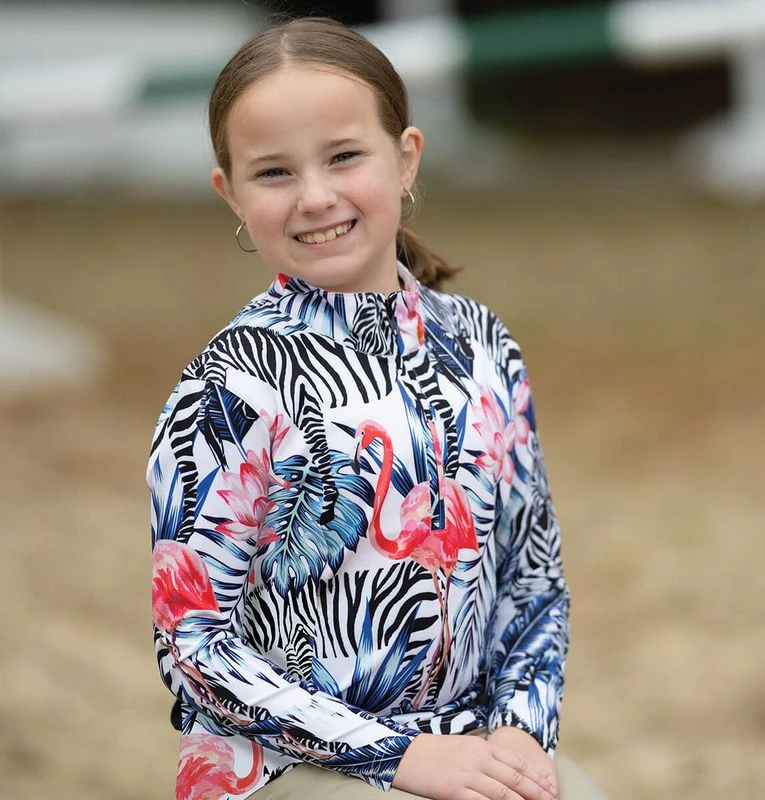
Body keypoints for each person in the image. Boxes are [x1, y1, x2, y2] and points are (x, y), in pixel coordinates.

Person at [148, 16, 601, 800]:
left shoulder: (483, 346)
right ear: (231, 195)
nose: (315, 196)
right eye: (274, 172)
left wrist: (521, 729)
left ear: (406, 158)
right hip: (288, 765)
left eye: (344, 157)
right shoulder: (230, 388)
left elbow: (531, 576)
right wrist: (398, 757)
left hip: (465, 744)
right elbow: (194, 645)